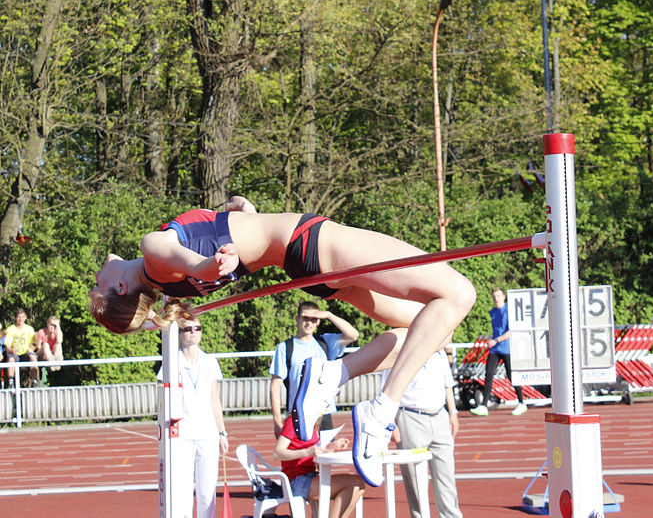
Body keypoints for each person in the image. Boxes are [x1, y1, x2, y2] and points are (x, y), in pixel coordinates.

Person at [90, 195, 476, 487]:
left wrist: (243, 216)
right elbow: (172, 248)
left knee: (437, 330)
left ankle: (333, 375)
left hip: (307, 264)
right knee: (459, 294)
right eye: (99, 286)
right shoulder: (154, 253)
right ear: (121, 286)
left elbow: (238, 241)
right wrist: (203, 265)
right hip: (312, 242)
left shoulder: (174, 286)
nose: (97, 277)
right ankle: (381, 411)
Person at [156, 310, 229, 518]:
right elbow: (164, 400)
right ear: (180, 334)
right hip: (182, 436)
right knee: (183, 491)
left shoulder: (210, 362)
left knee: (207, 493)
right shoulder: (172, 362)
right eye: (188, 329)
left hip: (207, 433)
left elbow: (215, 399)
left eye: (197, 328)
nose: (193, 332)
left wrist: (222, 433)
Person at [382, 349, 463, 518]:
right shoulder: (399, 352)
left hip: (439, 416)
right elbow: (387, 390)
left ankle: (451, 515)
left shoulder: (439, 353)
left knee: (446, 477)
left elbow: (448, 384)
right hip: (411, 417)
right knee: (415, 481)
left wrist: (453, 412)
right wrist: (391, 423)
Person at [270, 301, 359, 437]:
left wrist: (329, 315)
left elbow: (353, 335)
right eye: (305, 318)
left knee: (325, 455)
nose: (309, 323)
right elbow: (275, 384)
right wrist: (276, 419)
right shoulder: (285, 348)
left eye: (313, 319)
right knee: (300, 457)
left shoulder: (326, 343)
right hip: (298, 414)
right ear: (297, 319)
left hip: (324, 413)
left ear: (318, 322)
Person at [273, 415, 364, 518]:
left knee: (359, 485)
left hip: (310, 476)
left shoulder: (312, 424)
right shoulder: (294, 422)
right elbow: (277, 453)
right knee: (354, 483)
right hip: (296, 481)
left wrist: (329, 448)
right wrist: (306, 452)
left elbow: (315, 456)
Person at [470, 287, 527, 417]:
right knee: (488, 375)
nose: (496, 298)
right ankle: (484, 405)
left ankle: (521, 402)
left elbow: (511, 331)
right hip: (495, 348)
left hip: (506, 347)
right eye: (494, 296)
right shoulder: (493, 312)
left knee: (512, 375)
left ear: (503, 297)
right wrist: (493, 340)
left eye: (498, 295)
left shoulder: (509, 311)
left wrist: (496, 340)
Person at [4, 308, 39, 386]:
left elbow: (34, 344)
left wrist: (31, 349)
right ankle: (11, 381)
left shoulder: (29, 329)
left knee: (33, 357)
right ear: (15, 318)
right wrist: (11, 350)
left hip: (25, 353)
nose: (20, 319)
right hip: (15, 353)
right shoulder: (11, 329)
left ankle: (34, 380)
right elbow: (7, 346)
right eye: (19, 317)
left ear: (25, 317)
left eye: (22, 317)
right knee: (11, 359)